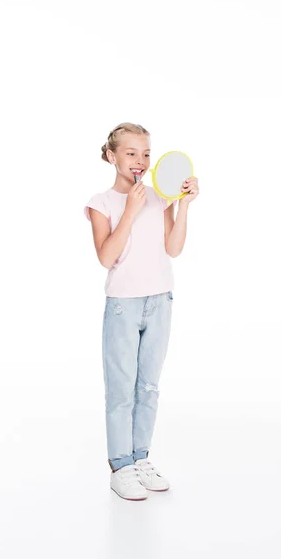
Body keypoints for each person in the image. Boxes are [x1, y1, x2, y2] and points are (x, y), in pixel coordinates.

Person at [84, 122, 199, 501]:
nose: (140, 161)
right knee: (121, 389)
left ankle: (140, 458)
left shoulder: (158, 196)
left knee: (148, 386)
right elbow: (106, 256)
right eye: (131, 153)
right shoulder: (102, 203)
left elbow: (174, 248)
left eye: (146, 154)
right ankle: (121, 465)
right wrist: (130, 211)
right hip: (123, 305)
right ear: (111, 156)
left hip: (160, 300)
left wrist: (182, 205)